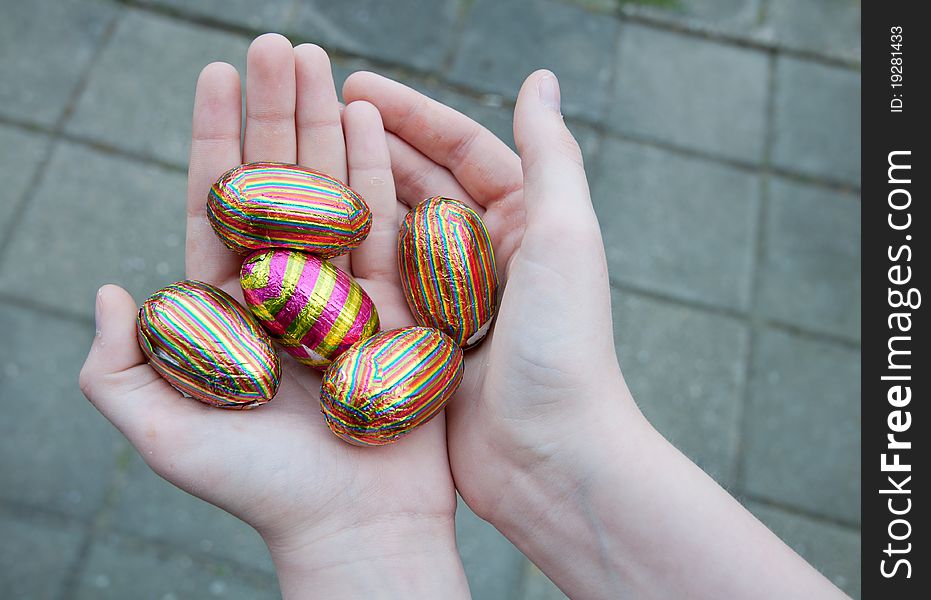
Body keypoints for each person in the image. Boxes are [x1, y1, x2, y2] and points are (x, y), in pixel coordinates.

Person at [79, 34, 849, 599]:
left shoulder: (407, 337)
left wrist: (357, 543)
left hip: (382, 358)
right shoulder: (374, 327)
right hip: (372, 355)